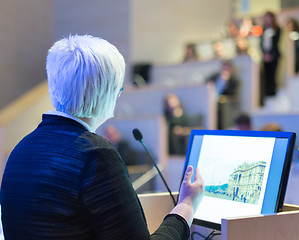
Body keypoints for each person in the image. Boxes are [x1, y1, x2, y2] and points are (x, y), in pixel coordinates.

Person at [0, 35, 204, 240]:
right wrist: (186, 206)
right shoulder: (96, 155)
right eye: (117, 87)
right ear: (103, 92)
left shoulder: (20, 150)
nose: (120, 93)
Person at [260, 11, 281, 97]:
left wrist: (270, 55)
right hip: (265, 56)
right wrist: (264, 54)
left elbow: (276, 43)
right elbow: (261, 43)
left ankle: (273, 94)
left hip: (274, 56)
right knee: (266, 76)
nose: (267, 19)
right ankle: (267, 94)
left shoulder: (277, 29)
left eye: (269, 17)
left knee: (273, 75)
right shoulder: (263, 29)